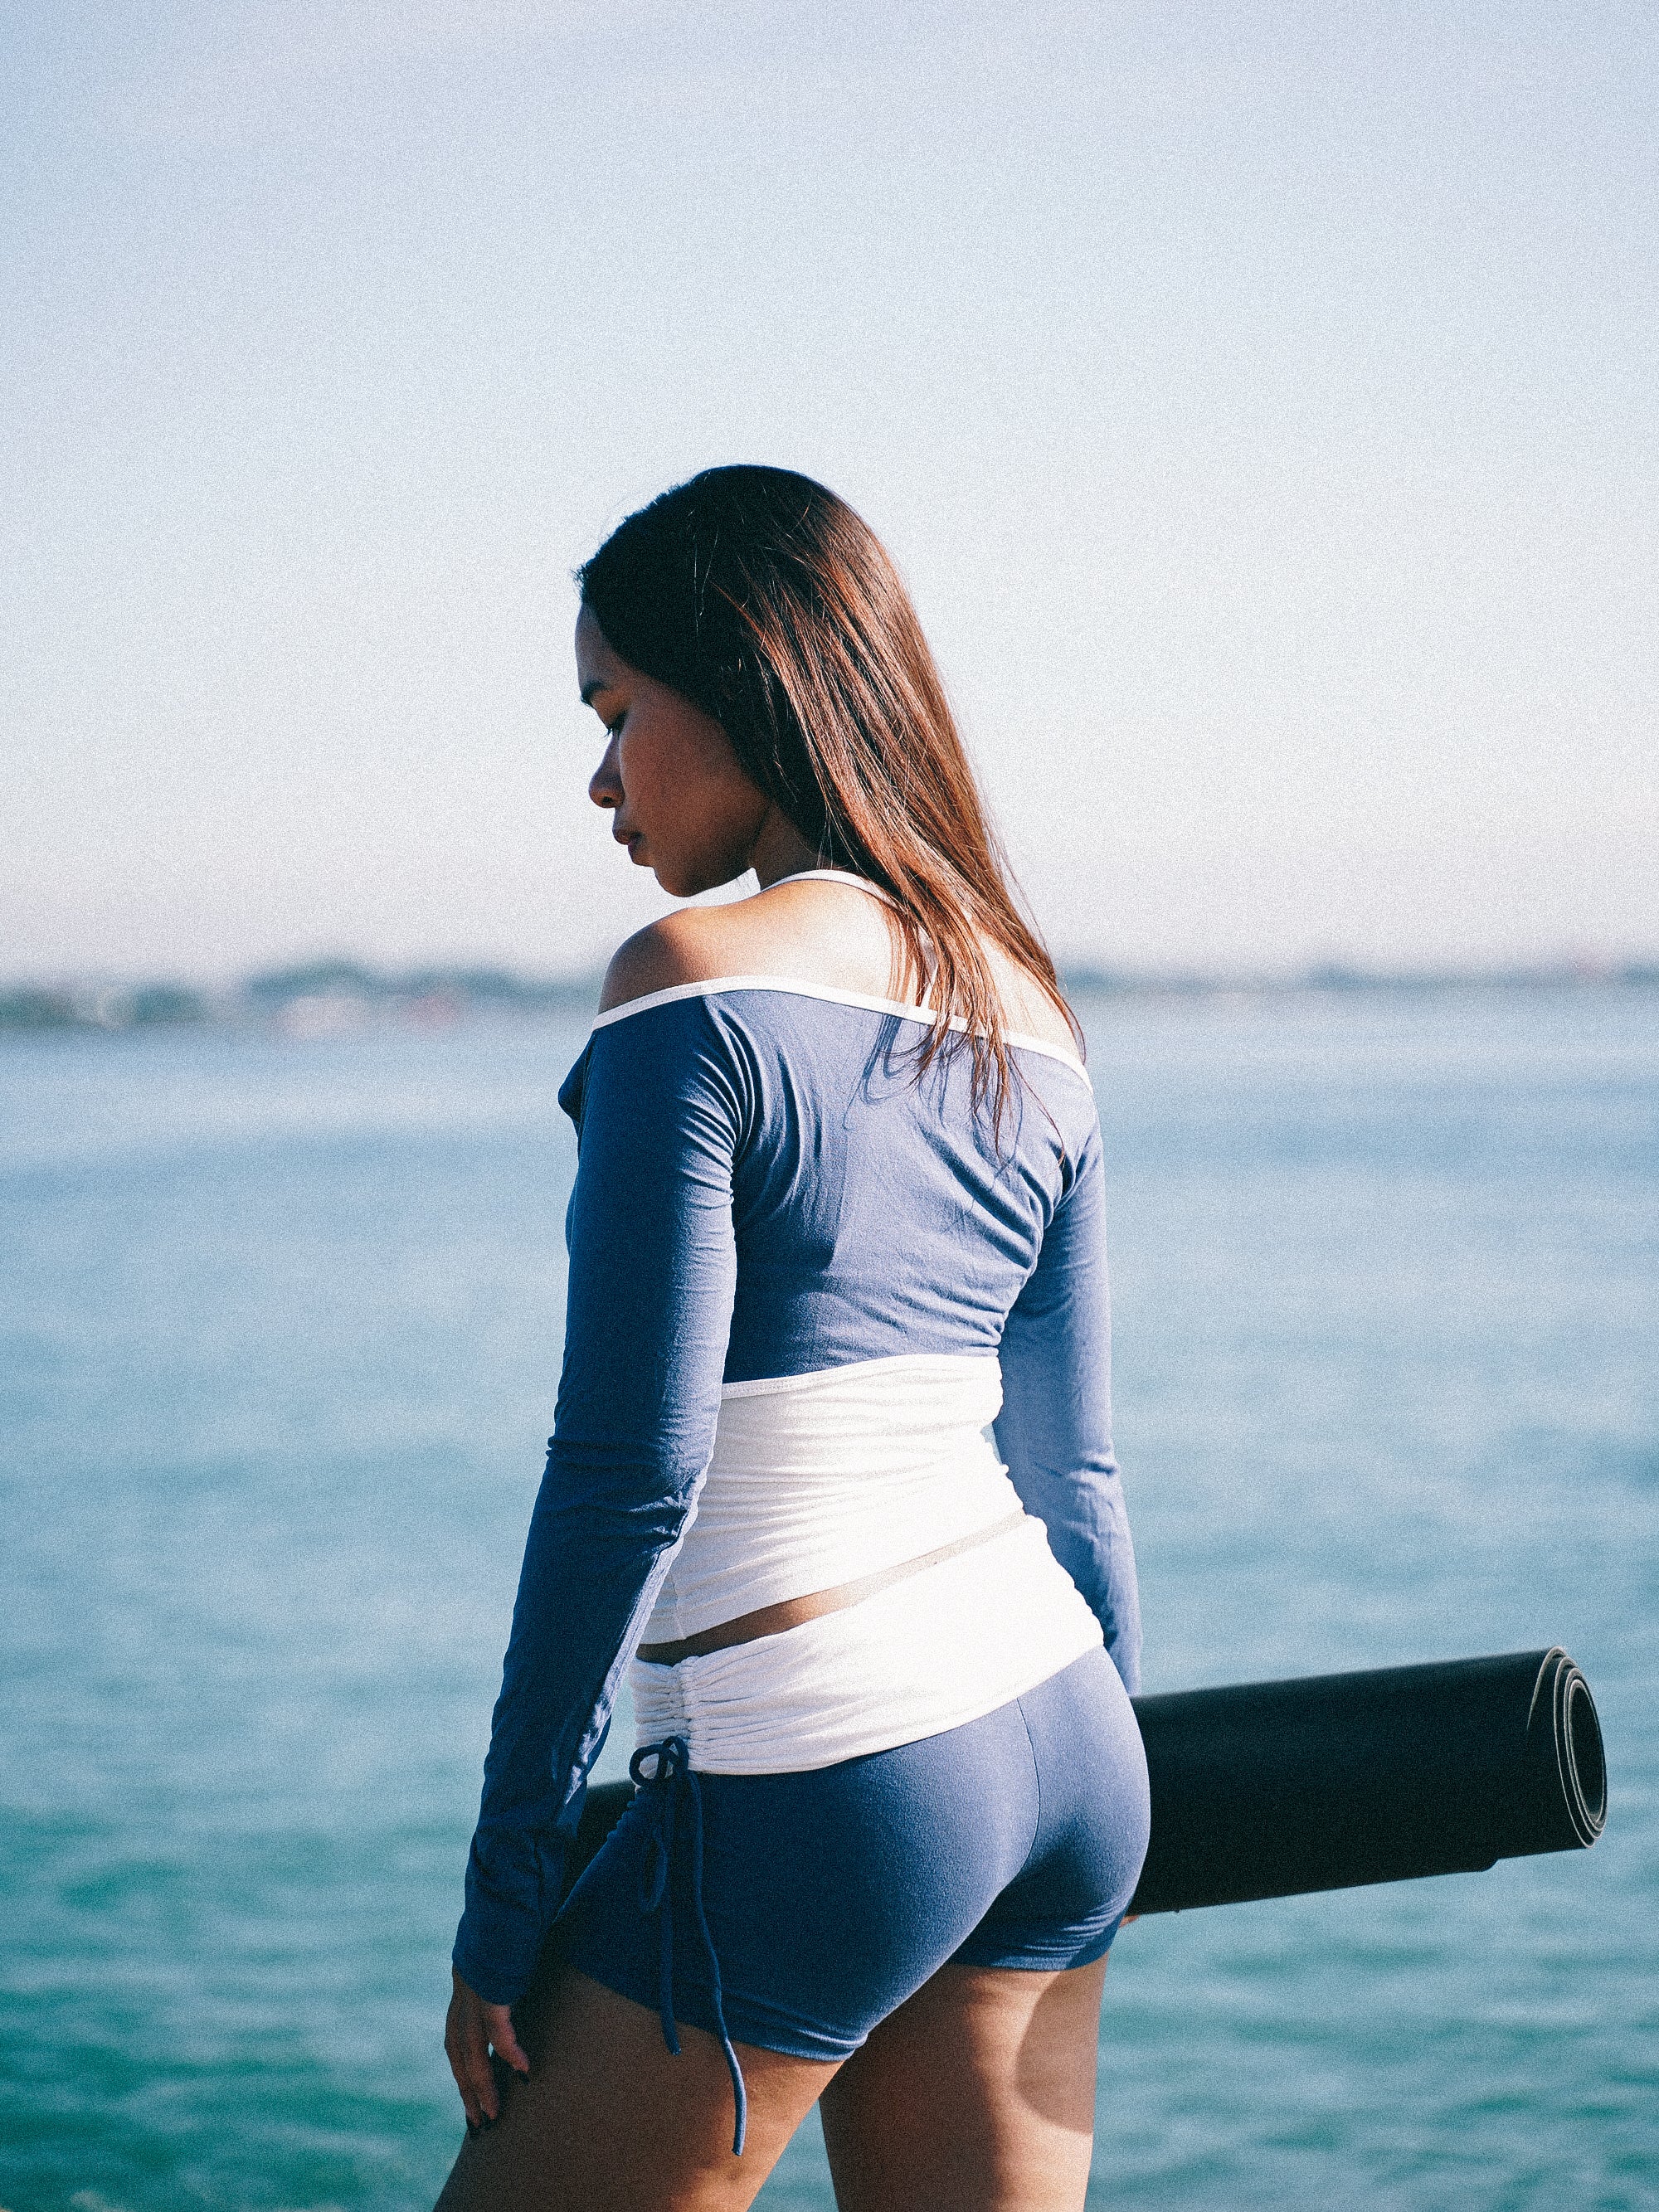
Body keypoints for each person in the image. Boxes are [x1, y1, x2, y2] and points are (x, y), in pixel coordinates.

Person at [436, 465, 1150, 2212]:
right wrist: (1109, 1796)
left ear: (745, 677)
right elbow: (1075, 1469)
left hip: (832, 1759)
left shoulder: (691, 981)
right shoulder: (1027, 1007)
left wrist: (504, 1881)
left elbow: (623, 1471)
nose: (600, 777)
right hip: (1062, 1736)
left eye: (616, 712)